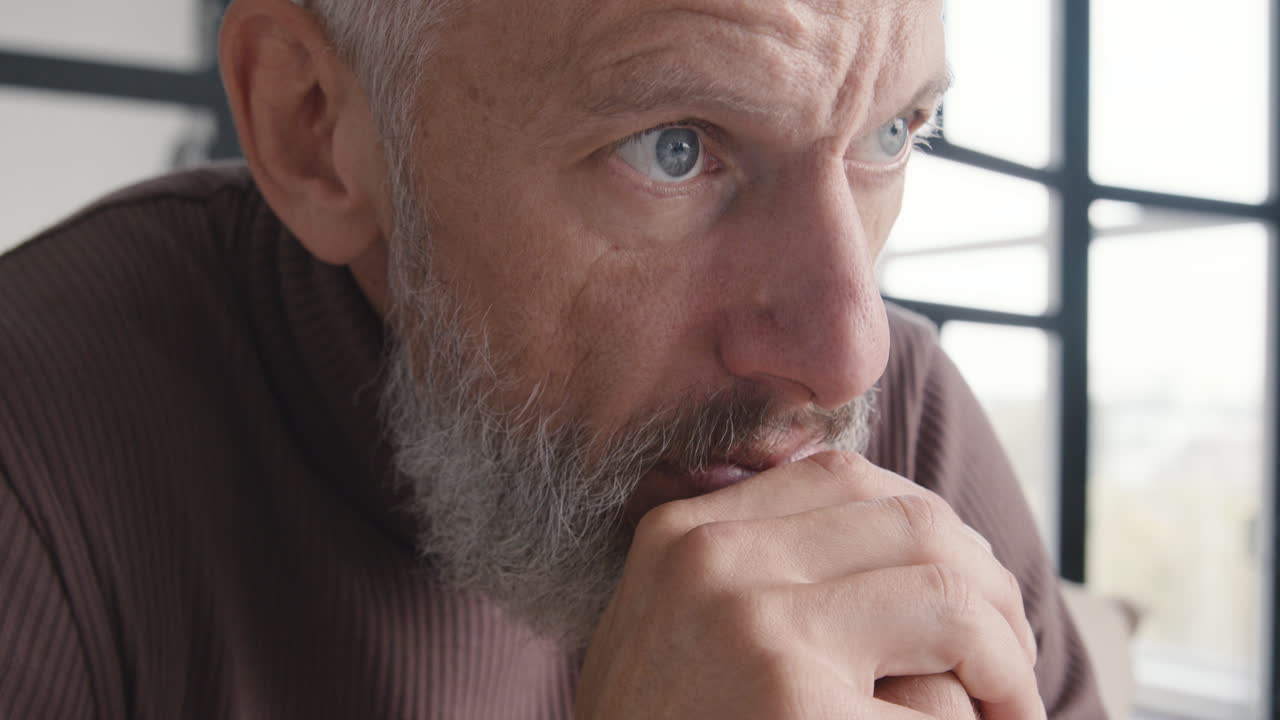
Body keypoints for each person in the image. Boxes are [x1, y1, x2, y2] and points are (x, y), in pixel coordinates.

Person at [0, 0, 1106, 717]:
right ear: (314, 125)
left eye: (889, 136)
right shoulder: (37, 469)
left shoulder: (908, 428)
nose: (850, 356)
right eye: (674, 148)